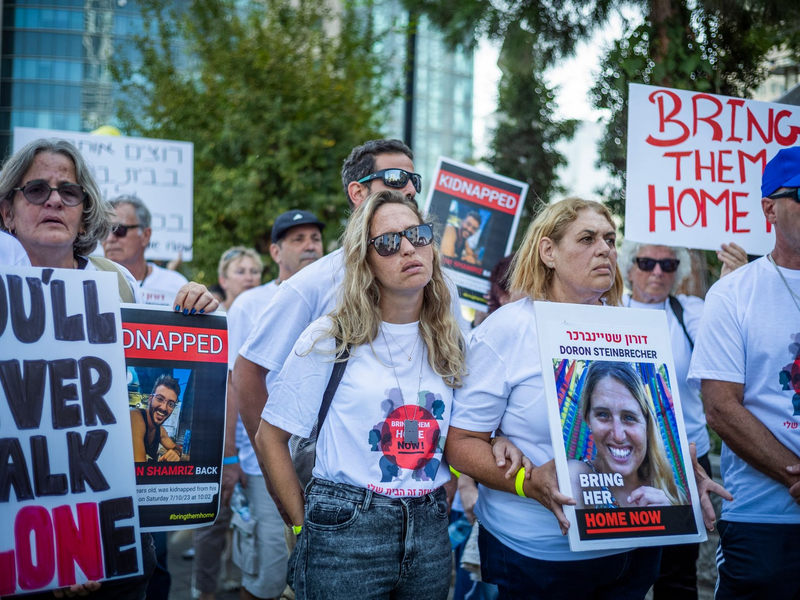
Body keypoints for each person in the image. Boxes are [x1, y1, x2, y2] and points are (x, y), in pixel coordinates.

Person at [446, 197, 729, 598]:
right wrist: (529, 482)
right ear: (548, 252)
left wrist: (678, 475)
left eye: (610, 240)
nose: (605, 250)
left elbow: (647, 430)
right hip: (539, 560)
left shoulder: (633, 328)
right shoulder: (509, 328)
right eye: (587, 239)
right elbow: (460, 443)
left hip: (633, 555)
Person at [0, 137, 217, 600]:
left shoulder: (114, 280)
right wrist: (58, 550)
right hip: (21, 536)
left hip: (115, 529)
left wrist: (192, 314)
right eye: (36, 189)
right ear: (7, 212)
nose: (54, 200)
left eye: (69, 191)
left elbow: (145, 371)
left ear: (84, 212)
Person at [232, 139, 469, 517]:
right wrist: (284, 487)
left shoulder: (439, 287)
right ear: (358, 192)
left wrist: (452, 471)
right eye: (396, 178)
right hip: (334, 499)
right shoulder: (312, 283)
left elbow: (458, 384)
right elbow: (248, 371)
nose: (409, 188)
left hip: (424, 506)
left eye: (414, 180)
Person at [255, 190, 466, 599]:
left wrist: (447, 487)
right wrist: (302, 526)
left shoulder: (450, 339)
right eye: (387, 242)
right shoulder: (330, 336)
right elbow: (270, 437)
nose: (408, 248)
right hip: (345, 532)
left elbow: (463, 432)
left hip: (429, 532)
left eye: (417, 235)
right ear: (364, 260)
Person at [194, 212, 324, 600]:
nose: (310, 245)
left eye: (315, 237)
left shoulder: (341, 295)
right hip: (264, 461)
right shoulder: (251, 303)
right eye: (298, 239)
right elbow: (232, 382)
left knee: (319, 573)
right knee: (268, 575)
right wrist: (232, 458)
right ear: (276, 252)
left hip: (328, 464)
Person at [689, 146, 800, 599]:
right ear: (770, 209)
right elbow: (720, 407)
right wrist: (795, 477)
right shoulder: (733, 294)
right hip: (764, 520)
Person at [617, 239, 747, 599]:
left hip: (686, 458)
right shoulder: (609, 309)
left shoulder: (692, 311)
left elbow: (730, 338)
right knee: (618, 569)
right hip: (622, 457)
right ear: (629, 268)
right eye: (646, 263)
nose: (658, 272)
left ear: (678, 273)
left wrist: (733, 285)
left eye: (668, 265)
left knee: (677, 574)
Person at [569, 361, 686, 509]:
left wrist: (671, 519)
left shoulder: (672, 492)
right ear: (588, 420)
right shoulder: (578, 477)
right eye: (603, 415)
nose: (618, 436)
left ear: (647, 425)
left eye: (629, 417)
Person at [102, 195, 189, 306]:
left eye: (119, 229)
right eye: (103, 230)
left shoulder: (176, 285)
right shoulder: (90, 282)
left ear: (145, 235)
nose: (109, 238)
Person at [130, 375, 182, 463]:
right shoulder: (135, 417)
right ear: (150, 399)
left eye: (171, 404)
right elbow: (140, 468)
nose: (164, 408)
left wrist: (175, 453)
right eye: (160, 399)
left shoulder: (160, 430)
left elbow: (177, 448)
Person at [216, 246, 263, 311]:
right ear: (223, 281)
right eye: (240, 272)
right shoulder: (214, 315)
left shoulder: (269, 312)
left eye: (254, 272)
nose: (249, 278)